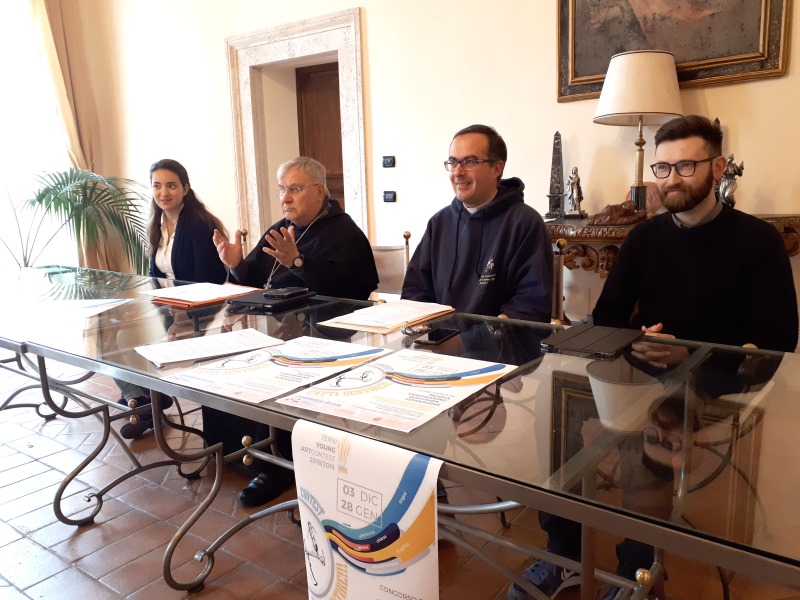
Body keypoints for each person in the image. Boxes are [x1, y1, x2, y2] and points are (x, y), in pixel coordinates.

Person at [509, 115, 798, 600]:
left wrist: (690, 350)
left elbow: (779, 339)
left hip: (721, 379)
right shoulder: (644, 237)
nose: (671, 179)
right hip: (641, 370)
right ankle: (563, 551)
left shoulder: (757, 240)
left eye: (686, 166)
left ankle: (637, 573)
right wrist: (635, 339)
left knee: (651, 431)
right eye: (662, 168)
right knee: (558, 405)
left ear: (718, 167)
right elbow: (609, 316)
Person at [211, 156, 378, 507]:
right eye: (282, 190)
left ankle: (278, 465)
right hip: (277, 330)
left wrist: (299, 262)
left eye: (295, 189)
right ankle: (235, 449)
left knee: (279, 371)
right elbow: (254, 276)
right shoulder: (282, 228)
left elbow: (353, 292)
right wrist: (236, 264)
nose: (285, 198)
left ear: (320, 191)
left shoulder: (345, 232)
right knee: (227, 360)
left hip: (327, 339)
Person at [118, 159, 229, 439]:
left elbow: (207, 282)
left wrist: (179, 318)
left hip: (201, 313)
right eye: (157, 186)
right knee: (118, 335)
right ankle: (142, 401)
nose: (163, 193)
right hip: (167, 308)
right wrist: (148, 308)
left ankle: (150, 400)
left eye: (171, 186)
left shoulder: (199, 225)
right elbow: (154, 276)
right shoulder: (157, 224)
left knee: (154, 351)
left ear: (185, 188)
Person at [402, 124, 553, 322]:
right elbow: (415, 291)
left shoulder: (525, 223)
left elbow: (531, 303)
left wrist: (479, 336)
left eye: (469, 162)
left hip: (497, 340)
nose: (457, 172)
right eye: (453, 162)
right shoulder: (439, 223)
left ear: (497, 168)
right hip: (439, 338)